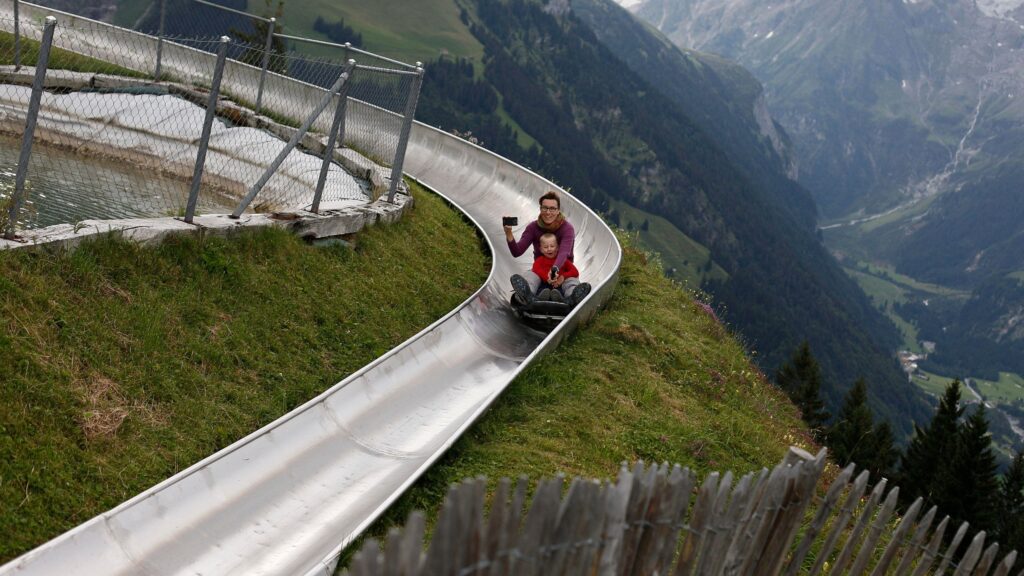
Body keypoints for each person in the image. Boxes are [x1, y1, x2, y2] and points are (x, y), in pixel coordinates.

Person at [504, 191, 591, 307]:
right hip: (542, 270)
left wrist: (556, 270)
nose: (548, 212)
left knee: (571, 282)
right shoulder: (533, 228)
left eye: (552, 209)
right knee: (530, 276)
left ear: (558, 210)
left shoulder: (567, 228)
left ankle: (572, 298)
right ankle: (526, 295)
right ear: (540, 209)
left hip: (563, 272)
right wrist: (509, 233)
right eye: (545, 208)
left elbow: (564, 252)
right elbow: (517, 251)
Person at [531, 232, 580, 302]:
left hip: (560, 286)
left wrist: (563, 277)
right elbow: (536, 269)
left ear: (557, 248)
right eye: (545, 247)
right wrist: (547, 278)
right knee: (537, 283)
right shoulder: (540, 260)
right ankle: (536, 297)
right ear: (541, 249)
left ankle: (571, 296)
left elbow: (575, 271)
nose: (549, 249)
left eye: (552, 246)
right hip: (544, 285)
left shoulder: (563, 260)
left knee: (569, 283)